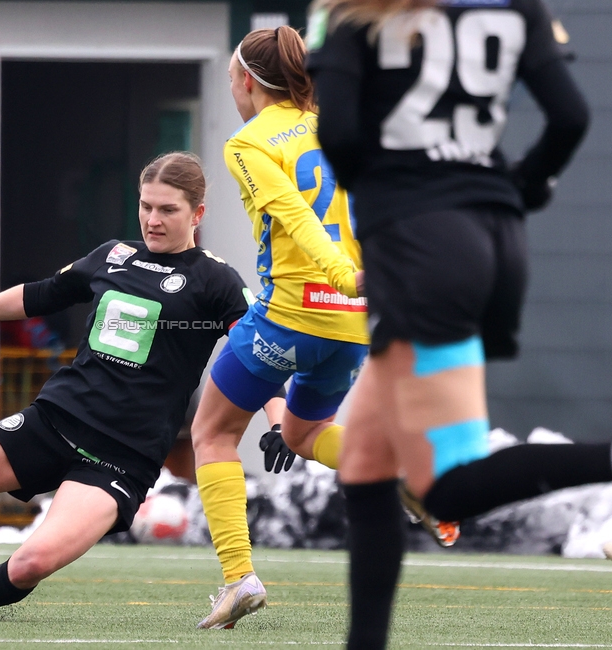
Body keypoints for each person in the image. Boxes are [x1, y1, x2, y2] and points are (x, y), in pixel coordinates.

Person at [303, 1, 612, 647]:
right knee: (366, 465)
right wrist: (521, 182)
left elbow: (339, 133)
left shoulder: (351, 10)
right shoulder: (513, 5)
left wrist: (393, 195)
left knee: (444, 488)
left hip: (418, 245)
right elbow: (570, 116)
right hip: (495, 236)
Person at [0, 152, 253, 621]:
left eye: (168, 210)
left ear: (197, 214)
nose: (152, 220)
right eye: (146, 206)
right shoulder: (114, 255)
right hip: (54, 420)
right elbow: (41, 294)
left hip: (122, 457)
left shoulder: (215, 280)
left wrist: (280, 414)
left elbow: (257, 350)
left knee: (30, 563)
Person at [190, 25, 372, 630]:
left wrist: (342, 274)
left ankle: (239, 576)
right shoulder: (344, 126)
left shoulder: (248, 143)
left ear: (246, 80)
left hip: (291, 315)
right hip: (351, 326)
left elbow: (295, 215)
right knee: (304, 430)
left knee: (212, 432)